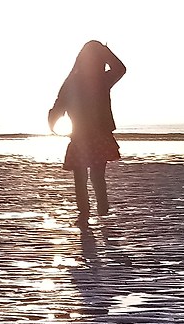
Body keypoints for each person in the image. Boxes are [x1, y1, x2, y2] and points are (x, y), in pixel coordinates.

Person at [47, 40, 127, 227]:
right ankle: (100, 209)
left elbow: (59, 104)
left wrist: (53, 121)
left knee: (81, 176)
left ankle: (86, 212)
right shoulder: (101, 80)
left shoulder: (74, 80)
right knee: (96, 175)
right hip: (93, 134)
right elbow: (120, 68)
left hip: (82, 135)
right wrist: (106, 52)